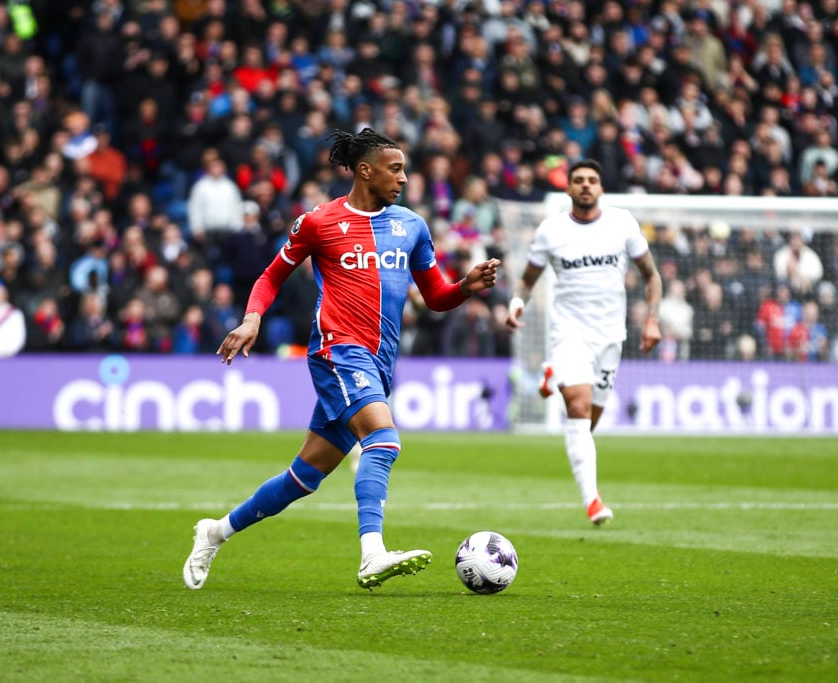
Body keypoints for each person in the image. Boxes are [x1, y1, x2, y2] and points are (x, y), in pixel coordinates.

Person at [183, 128, 500, 591]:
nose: (405, 178)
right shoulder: (318, 222)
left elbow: (435, 297)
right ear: (365, 170)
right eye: (396, 169)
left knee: (303, 477)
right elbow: (271, 277)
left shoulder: (411, 226)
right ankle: (372, 553)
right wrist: (252, 319)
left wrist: (465, 288)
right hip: (337, 350)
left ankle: (215, 531)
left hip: (378, 361)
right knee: (384, 440)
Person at [506, 159, 662, 526]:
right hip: (570, 333)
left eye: (593, 180)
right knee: (577, 409)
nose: (586, 185)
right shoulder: (552, 230)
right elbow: (528, 280)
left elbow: (651, 275)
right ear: (569, 189)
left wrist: (652, 319)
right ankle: (592, 501)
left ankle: (552, 376)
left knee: (588, 423)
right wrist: (516, 302)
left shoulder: (622, 223)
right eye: (579, 181)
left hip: (610, 336)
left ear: (601, 189)